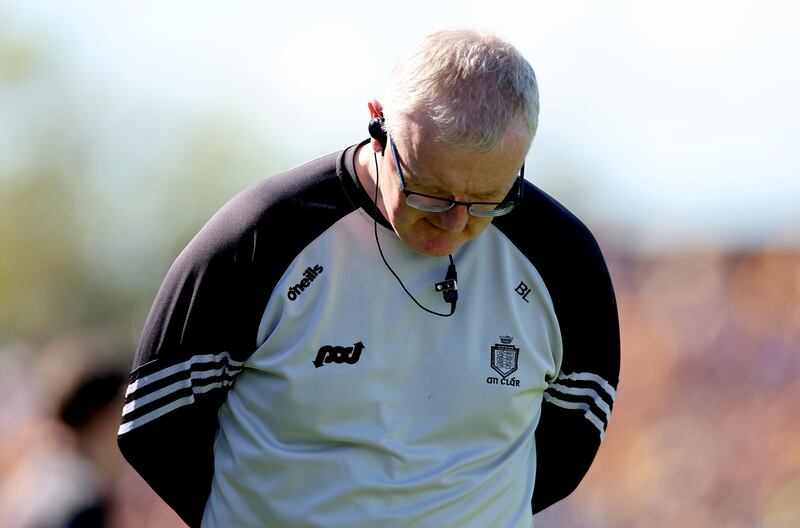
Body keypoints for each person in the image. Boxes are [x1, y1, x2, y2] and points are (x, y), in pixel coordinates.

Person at [118, 28, 620, 527]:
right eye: (430, 189)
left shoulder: (564, 262)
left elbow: (570, 441)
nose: (454, 220)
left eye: (487, 198)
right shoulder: (261, 236)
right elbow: (157, 425)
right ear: (378, 125)